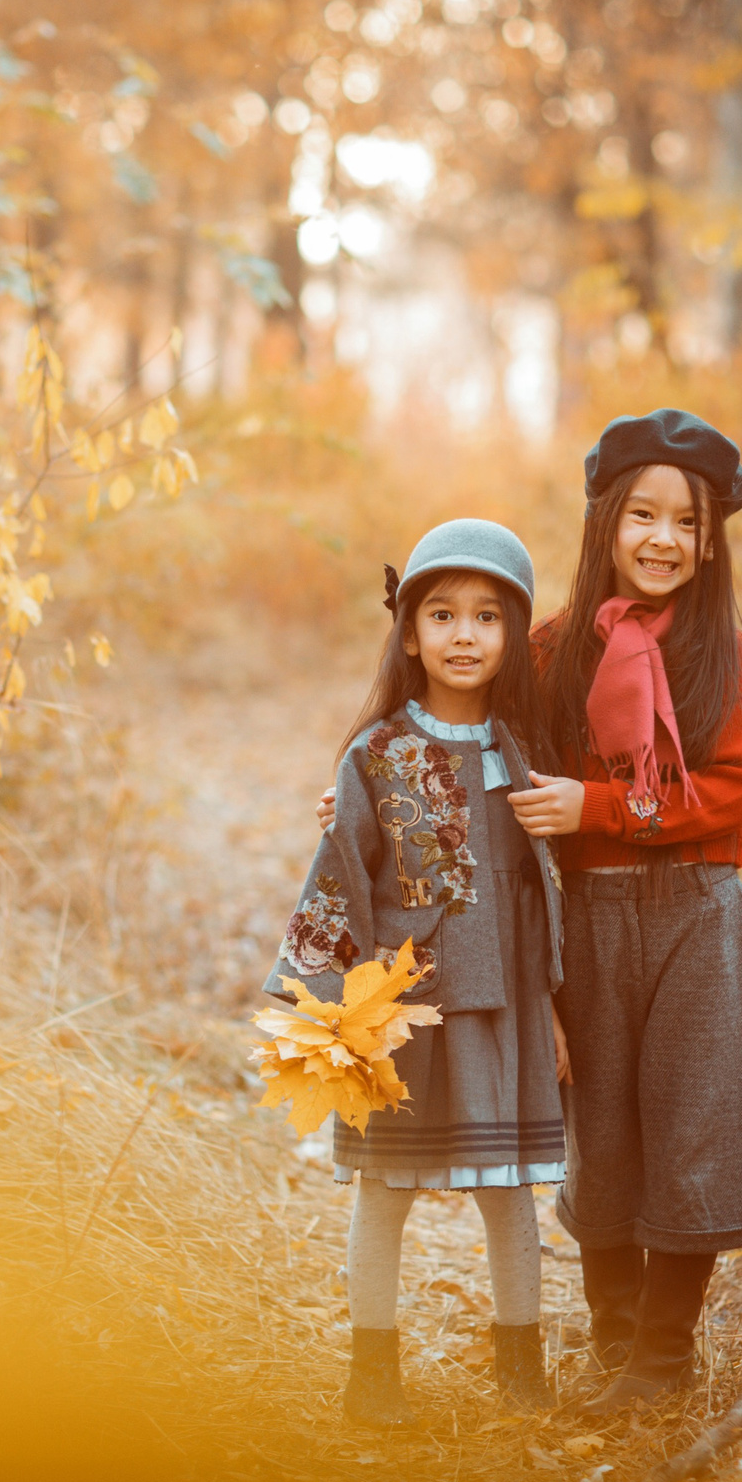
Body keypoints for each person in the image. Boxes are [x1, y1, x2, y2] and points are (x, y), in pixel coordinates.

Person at [315, 410, 742, 1417]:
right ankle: (610, 1337)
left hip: (698, 912)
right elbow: (469, 747)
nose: (659, 539)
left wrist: (600, 806)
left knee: (691, 1121)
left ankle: (663, 1354)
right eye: (639, 515)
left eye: (683, 523)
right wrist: (376, 802)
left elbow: (733, 793)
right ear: (604, 524)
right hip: (585, 919)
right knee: (598, 1126)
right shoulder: (554, 647)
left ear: (708, 539)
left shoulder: (725, 657)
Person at [264, 519, 572, 1426]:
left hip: (506, 1007)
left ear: (514, 634)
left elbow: (549, 891)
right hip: (405, 1010)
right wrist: (327, 1011)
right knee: (386, 1185)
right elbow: (339, 877)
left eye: (486, 616)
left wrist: (557, 1007)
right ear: (409, 631)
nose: (464, 634)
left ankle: (522, 1368)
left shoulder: (527, 754)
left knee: (510, 1186)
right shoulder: (378, 755)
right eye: (442, 614)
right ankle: (373, 1375)